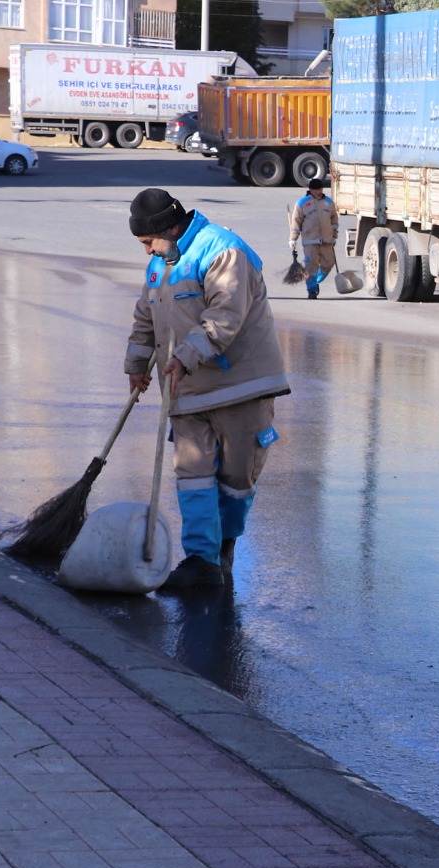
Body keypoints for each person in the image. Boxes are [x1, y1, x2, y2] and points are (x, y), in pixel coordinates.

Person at [125, 188, 291, 591]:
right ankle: (200, 561)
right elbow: (146, 319)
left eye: (148, 241)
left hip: (241, 387)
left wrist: (183, 357)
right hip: (185, 391)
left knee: (235, 482)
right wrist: (136, 365)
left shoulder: (223, 252)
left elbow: (224, 319)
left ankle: (223, 549)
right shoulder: (159, 265)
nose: (146, 251)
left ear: (168, 229)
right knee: (193, 476)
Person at [289, 178, 339, 299]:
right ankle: (311, 290)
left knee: (328, 264)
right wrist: (293, 238)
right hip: (310, 241)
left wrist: (334, 235)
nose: (319, 192)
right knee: (311, 266)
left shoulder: (329, 202)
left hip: (327, 241)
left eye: (320, 189)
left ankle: (315, 281)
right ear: (310, 190)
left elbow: (334, 221)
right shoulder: (302, 203)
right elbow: (296, 222)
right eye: (316, 190)